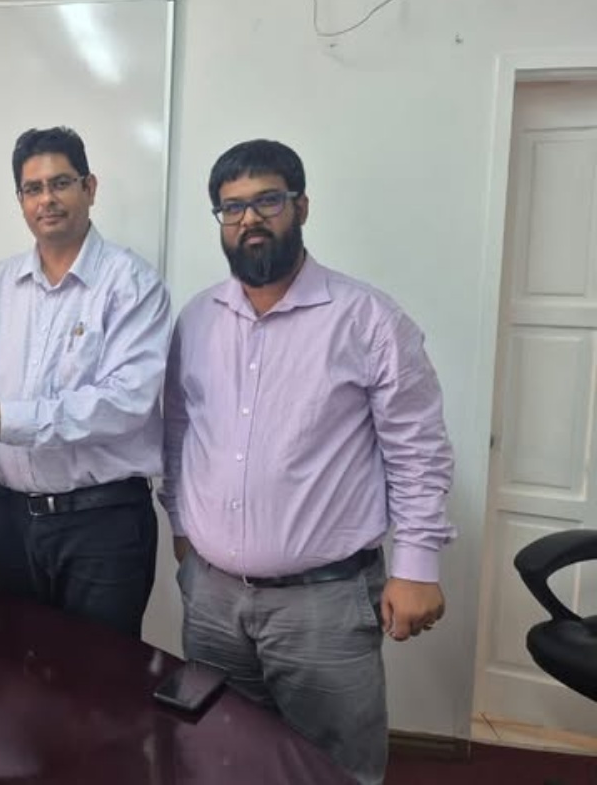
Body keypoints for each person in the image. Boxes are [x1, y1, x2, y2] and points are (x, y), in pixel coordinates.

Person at [160, 138, 456, 785]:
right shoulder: (197, 319)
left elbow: (417, 449)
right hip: (211, 599)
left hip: (324, 605)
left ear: (301, 206)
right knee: (218, 757)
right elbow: (179, 432)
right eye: (232, 208)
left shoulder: (367, 319)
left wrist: (417, 565)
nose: (249, 219)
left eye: (267, 200)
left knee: (331, 769)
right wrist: (183, 527)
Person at [0, 126, 170, 639]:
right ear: (20, 200)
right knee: (15, 666)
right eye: (33, 188)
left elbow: (125, 403)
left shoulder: (132, 283)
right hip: (14, 520)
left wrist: (2, 418)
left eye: (61, 183)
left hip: (103, 524)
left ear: (89, 187)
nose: (47, 199)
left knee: (98, 676)